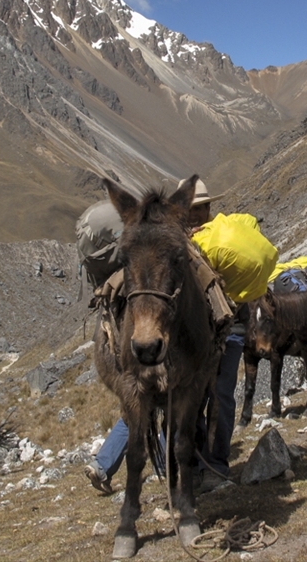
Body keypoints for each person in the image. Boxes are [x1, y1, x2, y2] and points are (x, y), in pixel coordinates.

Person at [84, 178, 244, 495]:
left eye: (204, 208)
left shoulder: (215, 241)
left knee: (193, 400)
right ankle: (209, 466)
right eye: (194, 210)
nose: (199, 215)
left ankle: (113, 463)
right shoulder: (172, 243)